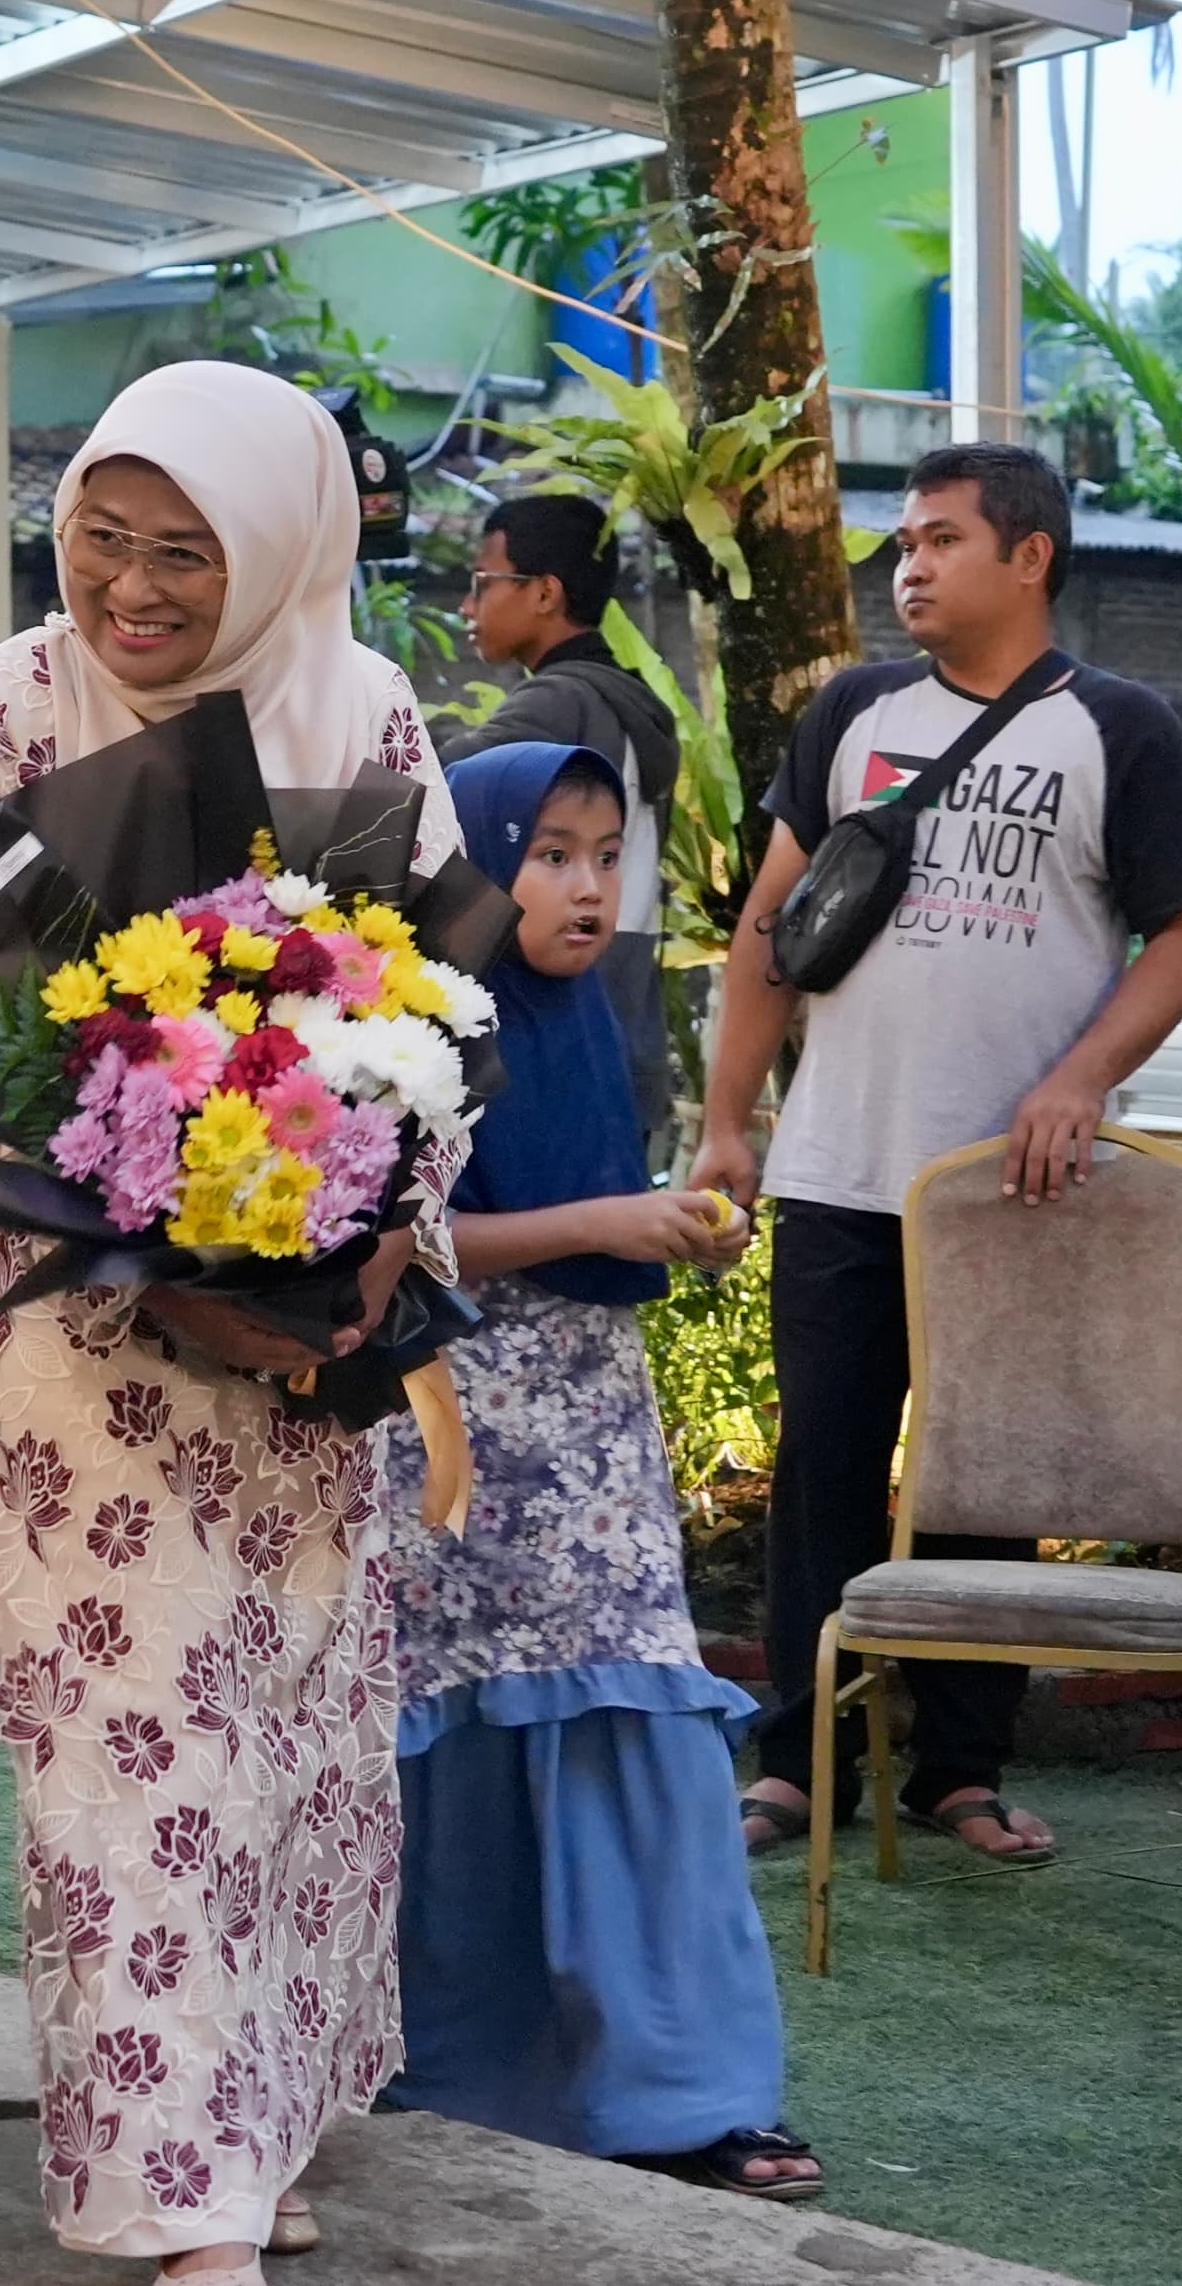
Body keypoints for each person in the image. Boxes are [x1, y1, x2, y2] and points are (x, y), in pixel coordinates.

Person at [0, 360, 454, 2285]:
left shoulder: (363, 710)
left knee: (281, 1729)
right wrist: (157, 1233)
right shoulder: (3, 705)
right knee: (131, 1738)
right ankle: (180, 2192)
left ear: (280, 548)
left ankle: (253, 2119)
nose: (128, 587)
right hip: (63, 1328)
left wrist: (359, 1241)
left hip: (305, 1335)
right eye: (101, 537)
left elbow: (424, 1022)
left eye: (185, 552)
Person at [682, 442, 1182, 1866]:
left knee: (987, 1481)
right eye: (903, 544)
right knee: (822, 1471)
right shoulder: (853, 713)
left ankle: (959, 1769)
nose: (910, 566)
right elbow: (769, 931)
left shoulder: (1117, 726)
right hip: (837, 1168)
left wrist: (1081, 1078)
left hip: (1012, 1189)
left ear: (1029, 555)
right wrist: (729, 1120)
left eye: (940, 539)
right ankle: (800, 1764)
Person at [382, 744, 810, 2195]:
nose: (585, 886)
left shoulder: (584, 1019)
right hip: (453, 1430)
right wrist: (602, 1223)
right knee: (467, 1741)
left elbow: (599, 1219)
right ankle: (471, 2067)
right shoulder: (414, 1026)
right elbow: (390, 1239)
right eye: (549, 853)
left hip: (589, 1434)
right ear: (474, 865)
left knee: (633, 1722)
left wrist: (672, 1225)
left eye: (605, 855)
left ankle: (690, 2092)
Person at [448, 494, 680, 1134]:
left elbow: (428, 786)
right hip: (624, 1027)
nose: (467, 606)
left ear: (545, 593)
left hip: (562, 1048)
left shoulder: (560, 702)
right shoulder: (627, 702)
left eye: (482, 583)